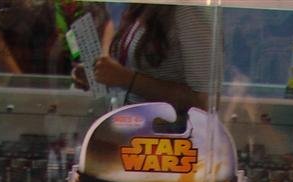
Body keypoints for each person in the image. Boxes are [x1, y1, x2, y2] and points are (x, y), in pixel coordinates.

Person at [73, 3, 217, 111]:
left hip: (167, 135)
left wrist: (126, 78)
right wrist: (101, 74)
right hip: (133, 128)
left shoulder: (188, 10)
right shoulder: (143, 7)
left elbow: (204, 101)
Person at [0, 0, 113, 75]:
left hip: (85, 88)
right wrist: (18, 80)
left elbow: (105, 20)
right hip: (33, 87)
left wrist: (104, 60)